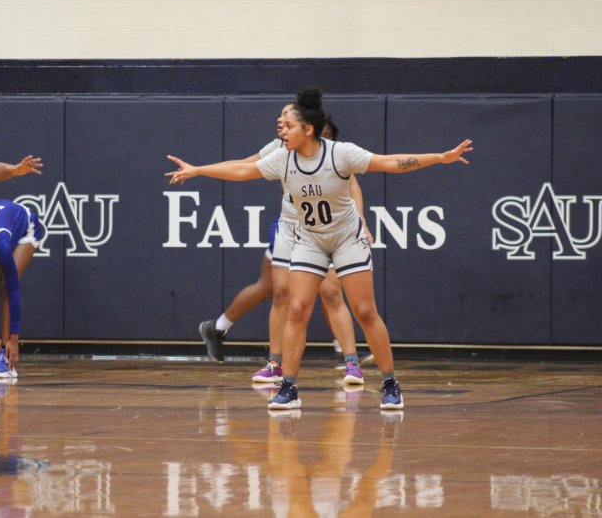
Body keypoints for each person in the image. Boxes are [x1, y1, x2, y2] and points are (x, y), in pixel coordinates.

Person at [167, 86, 472, 410]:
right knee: (298, 309)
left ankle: (390, 383)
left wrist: (440, 158)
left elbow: (390, 162)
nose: (283, 131)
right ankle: (288, 388)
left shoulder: (340, 154)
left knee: (365, 312)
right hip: (310, 239)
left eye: (290, 126)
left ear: (308, 129)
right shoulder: (283, 158)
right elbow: (244, 169)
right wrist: (199, 170)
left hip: (346, 238)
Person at [199, 106, 373, 386]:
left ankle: (351, 362)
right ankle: (272, 362)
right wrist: (199, 170)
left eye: (288, 118)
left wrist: (361, 220)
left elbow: (353, 186)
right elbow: (244, 166)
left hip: (324, 229)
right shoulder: (279, 150)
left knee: (330, 291)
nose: (282, 121)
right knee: (278, 291)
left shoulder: (333, 153)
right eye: (282, 117)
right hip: (289, 227)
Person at [0, 199, 46, 378]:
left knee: (5, 284)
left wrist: (14, 338)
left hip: (26, 227)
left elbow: (13, 290)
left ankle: (5, 354)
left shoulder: (0, 242)